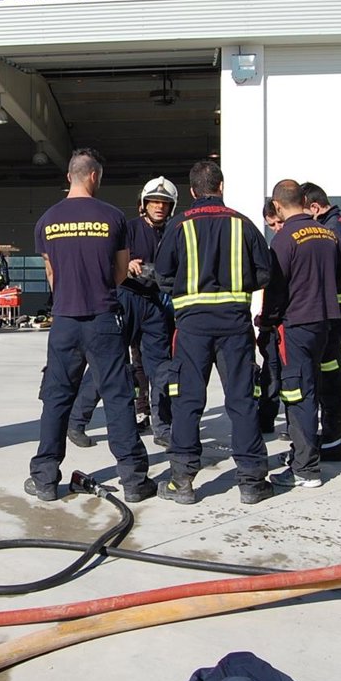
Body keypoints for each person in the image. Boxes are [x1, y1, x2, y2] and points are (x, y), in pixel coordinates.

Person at [26, 150, 155, 503]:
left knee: (56, 399)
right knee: (118, 397)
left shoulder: (47, 220)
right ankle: (133, 480)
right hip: (104, 318)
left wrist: (69, 295)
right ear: (94, 176)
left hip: (65, 321)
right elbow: (121, 272)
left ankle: (45, 478)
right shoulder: (113, 217)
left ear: (70, 176)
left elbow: (51, 273)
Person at [154, 160, 274, 505]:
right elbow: (264, 274)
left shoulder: (179, 226)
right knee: (242, 401)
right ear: (221, 187)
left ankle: (182, 481)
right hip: (235, 325)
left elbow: (162, 277)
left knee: (187, 401)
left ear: (193, 191)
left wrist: (189, 289)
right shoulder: (243, 224)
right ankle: (252, 481)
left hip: (192, 327)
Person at [66, 177, 177, 449]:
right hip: (125, 298)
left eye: (165, 203)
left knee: (161, 368)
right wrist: (127, 265)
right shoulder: (128, 229)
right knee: (108, 362)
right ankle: (76, 421)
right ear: (144, 204)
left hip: (155, 303)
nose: (159, 207)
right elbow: (104, 259)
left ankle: (162, 428)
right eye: (154, 202)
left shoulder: (174, 233)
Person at [261, 179, 341, 489]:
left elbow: (275, 290)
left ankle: (305, 468)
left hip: (296, 326)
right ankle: (309, 453)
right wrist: (325, 289)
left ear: (277, 206)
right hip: (324, 323)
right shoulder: (327, 232)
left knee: (297, 393)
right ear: (303, 200)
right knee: (312, 386)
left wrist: (267, 322)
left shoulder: (284, 239)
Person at [300, 181, 341, 463]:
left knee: (330, 376)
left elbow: (340, 271)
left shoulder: (332, 230)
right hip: (335, 315)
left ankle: (333, 442)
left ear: (314, 207)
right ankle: (330, 436)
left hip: (332, 318)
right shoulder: (337, 226)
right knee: (326, 374)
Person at [256, 201, 285, 439]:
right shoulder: (275, 246)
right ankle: (266, 419)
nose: (276, 228)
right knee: (271, 370)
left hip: (285, 322)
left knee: (281, 373)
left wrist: (267, 320)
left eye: (279, 222)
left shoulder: (285, 244)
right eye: (271, 225)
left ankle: (291, 423)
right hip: (273, 322)